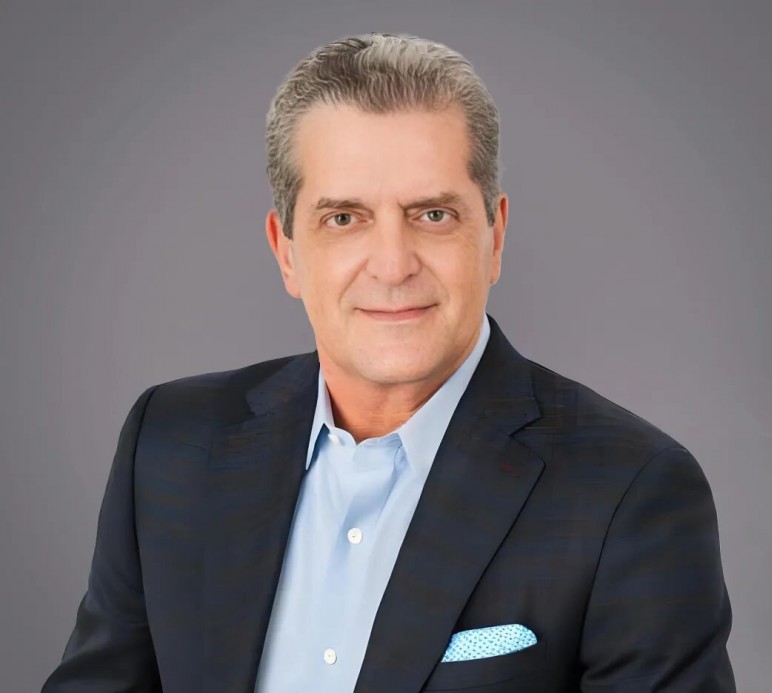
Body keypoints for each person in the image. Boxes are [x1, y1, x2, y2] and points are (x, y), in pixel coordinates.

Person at [43, 33, 735, 692]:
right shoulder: (169, 445)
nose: (393, 264)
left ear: (494, 236)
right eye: (344, 218)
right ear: (286, 252)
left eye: (432, 214)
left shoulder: (629, 493)